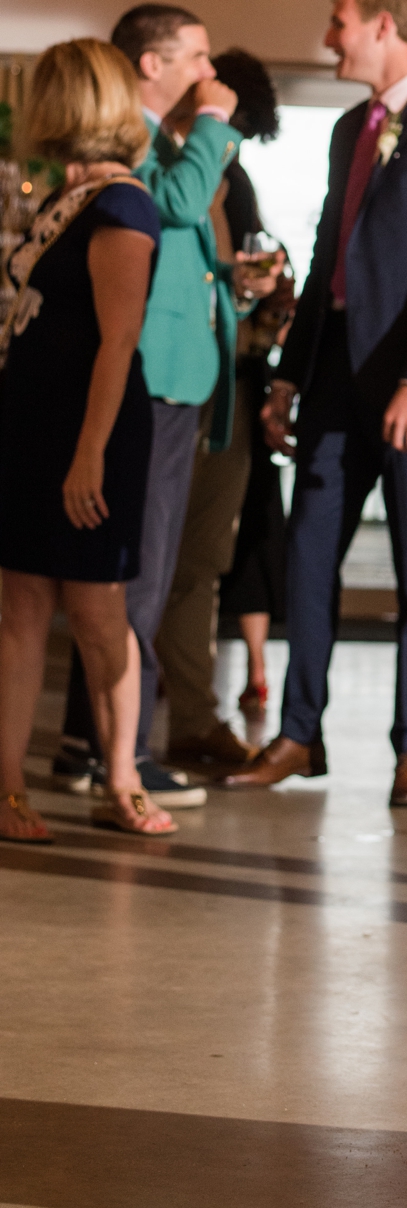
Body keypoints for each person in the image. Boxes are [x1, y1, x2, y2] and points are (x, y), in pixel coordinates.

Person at [227, 0, 407, 806]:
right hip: (334, 375)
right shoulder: (349, 129)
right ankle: (300, 735)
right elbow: (324, 260)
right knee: (308, 557)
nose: (329, 38)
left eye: (338, 24)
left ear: (383, 26)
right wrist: (288, 377)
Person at [53, 3, 265, 809]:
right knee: (135, 571)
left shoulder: (155, 135)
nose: (210, 74)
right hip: (153, 376)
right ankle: (124, 755)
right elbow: (173, 204)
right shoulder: (132, 139)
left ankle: (91, 744)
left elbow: (181, 241)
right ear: (151, 62)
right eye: (198, 57)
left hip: (177, 372)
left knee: (135, 569)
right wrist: (215, 120)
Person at [0, 41, 176, 839]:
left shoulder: (122, 205)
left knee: (99, 611)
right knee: (21, 607)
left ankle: (122, 776)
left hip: (87, 432)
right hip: (32, 424)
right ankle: (7, 788)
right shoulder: (65, 199)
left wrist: (88, 453)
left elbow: (120, 337)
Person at [155, 50, 292, 767]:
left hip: (225, 382)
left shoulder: (224, 173)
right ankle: (136, 731)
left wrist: (252, 288)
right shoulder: (180, 164)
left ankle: (185, 717)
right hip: (192, 386)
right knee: (171, 560)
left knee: (197, 560)